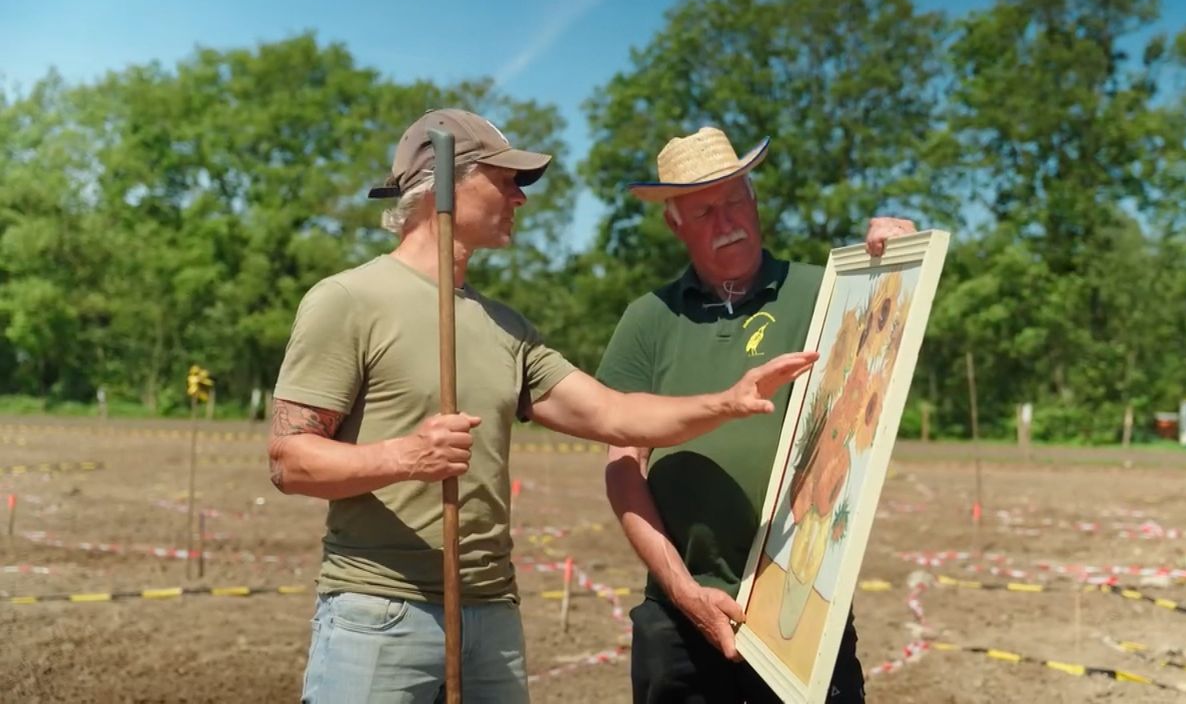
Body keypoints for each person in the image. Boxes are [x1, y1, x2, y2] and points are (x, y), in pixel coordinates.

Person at [268, 109, 820, 704]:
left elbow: (613, 416)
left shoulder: (507, 328)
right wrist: (404, 457)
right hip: (379, 614)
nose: (520, 199)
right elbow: (289, 461)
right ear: (442, 186)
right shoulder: (348, 300)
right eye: (505, 181)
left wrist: (728, 401)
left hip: (491, 615)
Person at [596, 126, 917, 703]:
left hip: (802, 607)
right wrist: (683, 590)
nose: (728, 222)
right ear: (674, 223)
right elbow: (623, 465)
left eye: (735, 200)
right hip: (678, 613)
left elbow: (885, 349)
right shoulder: (647, 320)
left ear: (755, 198)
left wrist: (892, 260)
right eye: (704, 211)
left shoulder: (827, 292)